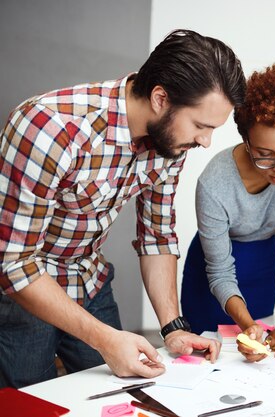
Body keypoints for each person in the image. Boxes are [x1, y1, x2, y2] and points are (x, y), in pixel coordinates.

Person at [0, 29, 246, 388]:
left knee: (130, 393)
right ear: (161, 98)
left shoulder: (171, 144)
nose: (205, 142)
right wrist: (105, 339)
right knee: (36, 404)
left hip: (90, 280)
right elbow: (14, 264)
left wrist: (173, 328)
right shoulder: (49, 128)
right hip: (24, 292)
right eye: (200, 126)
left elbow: (157, 238)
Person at [181, 63, 275, 360]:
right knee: (210, 361)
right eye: (265, 157)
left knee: (266, 361)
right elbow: (219, 271)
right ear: (246, 142)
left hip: (263, 261)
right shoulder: (213, 184)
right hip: (213, 272)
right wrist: (246, 326)